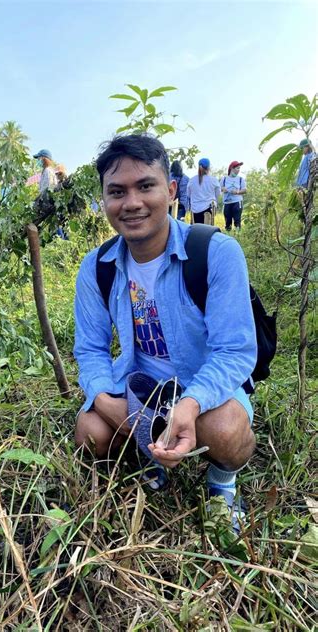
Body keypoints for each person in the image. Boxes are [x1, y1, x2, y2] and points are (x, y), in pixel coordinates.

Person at [74, 134, 257, 530]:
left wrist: (189, 406)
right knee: (90, 431)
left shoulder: (217, 252)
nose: (132, 203)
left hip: (200, 384)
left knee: (226, 431)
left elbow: (235, 351)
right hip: (138, 387)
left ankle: (222, 484)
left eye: (146, 186)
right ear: (104, 201)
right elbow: (90, 349)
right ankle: (148, 454)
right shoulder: (96, 267)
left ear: (172, 190)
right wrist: (106, 401)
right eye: (117, 191)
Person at [186, 158, 220, 224]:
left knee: (197, 231)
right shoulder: (214, 180)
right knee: (208, 231)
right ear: (209, 168)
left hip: (195, 211)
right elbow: (217, 194)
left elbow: (188, 195)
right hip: (209, 210)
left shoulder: (192, 181)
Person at [221, 161, 247, 231]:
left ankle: (238, 236)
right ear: (232, 168)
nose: (238, 170)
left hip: (237, 202)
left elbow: (244, 190)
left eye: (239, 169)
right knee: (227, 222)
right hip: (227, 203)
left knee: (237, 221)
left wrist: (237, 192)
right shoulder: (224, 179)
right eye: (237, 168)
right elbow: (220, 188)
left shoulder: (241, 179)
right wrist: (223, 189)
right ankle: (228, 236)